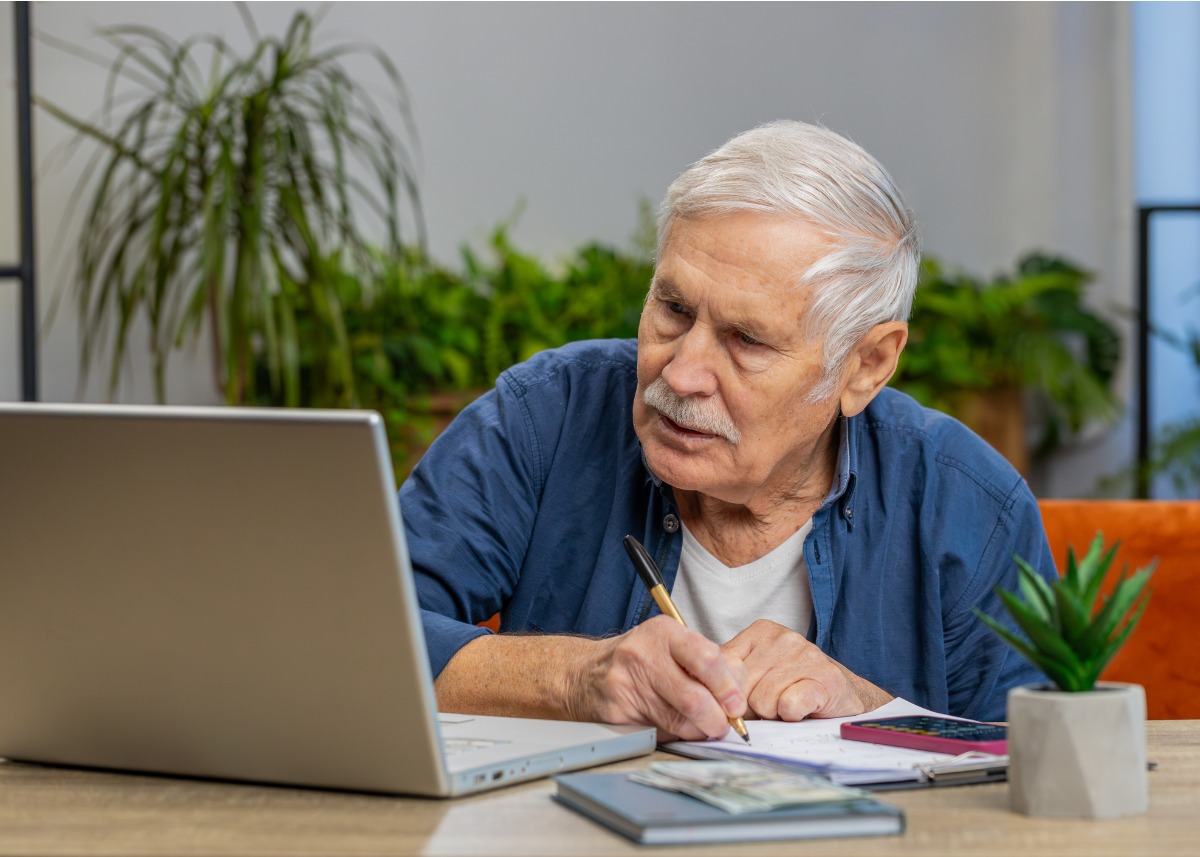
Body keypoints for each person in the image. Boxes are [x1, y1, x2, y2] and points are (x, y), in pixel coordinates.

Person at [401, 120, 1054, 739]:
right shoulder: (548, 415)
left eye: (746, 339)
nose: (681, 373)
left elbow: (1037, 757)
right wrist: (576, 678)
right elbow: (347, 632)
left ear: (865, 365)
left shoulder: (966, 502)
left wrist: (870, 709)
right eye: (674, 308)